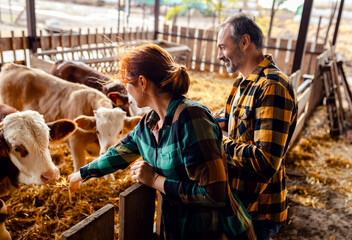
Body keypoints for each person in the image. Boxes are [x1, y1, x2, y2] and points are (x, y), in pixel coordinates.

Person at [68, 43, 256, 240]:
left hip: (216, 231)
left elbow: (214, 194)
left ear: (142, 82)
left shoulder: (192, 118)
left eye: (127, 83)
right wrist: (81, 174)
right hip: (178, 230)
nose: (126, 90)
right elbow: (118, 154)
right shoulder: (148, 124)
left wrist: (155, 181)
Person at [215, 14, 298, 240]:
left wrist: (215, 139)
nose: (219, 55)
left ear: (244, 42)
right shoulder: (243, 82)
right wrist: (217, 121)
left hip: (258, 210)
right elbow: (237, 123)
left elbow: (266, 160)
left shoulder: (273, 86)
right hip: (240, 200)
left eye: (223, 47)